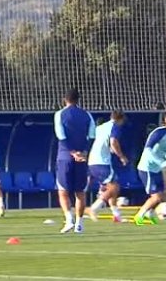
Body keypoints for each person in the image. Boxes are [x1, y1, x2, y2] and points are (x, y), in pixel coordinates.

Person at [54, 88, 96, 233]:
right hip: (81, 158)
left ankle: (69, 220)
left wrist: (72, 152)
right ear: (79, 100)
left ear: (65, 99)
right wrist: (83, 152)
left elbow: (61, 136)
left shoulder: (59, 114)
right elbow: (92, 136)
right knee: (80, 191)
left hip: (65, 156)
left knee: (63, 191)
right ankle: (79, 223)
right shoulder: (87, 115)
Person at [133, 111, 166, 225]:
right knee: (156, 197)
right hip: (146, 168)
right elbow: (148, 150)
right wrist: (161, 163)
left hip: (156, 169)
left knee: (160, 195)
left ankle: (148, 214)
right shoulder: (158, 133)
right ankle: (139, 216)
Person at [86, 110, 127, 223]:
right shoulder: (115, 127)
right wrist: (121, 156)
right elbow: (113, 142)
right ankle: (93, 208)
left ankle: (117, 216)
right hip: (101, 162)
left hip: (92, 161)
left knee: (111, 188)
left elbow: (97, 142)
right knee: (115, 187)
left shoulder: (100, 127)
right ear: (120, 119)